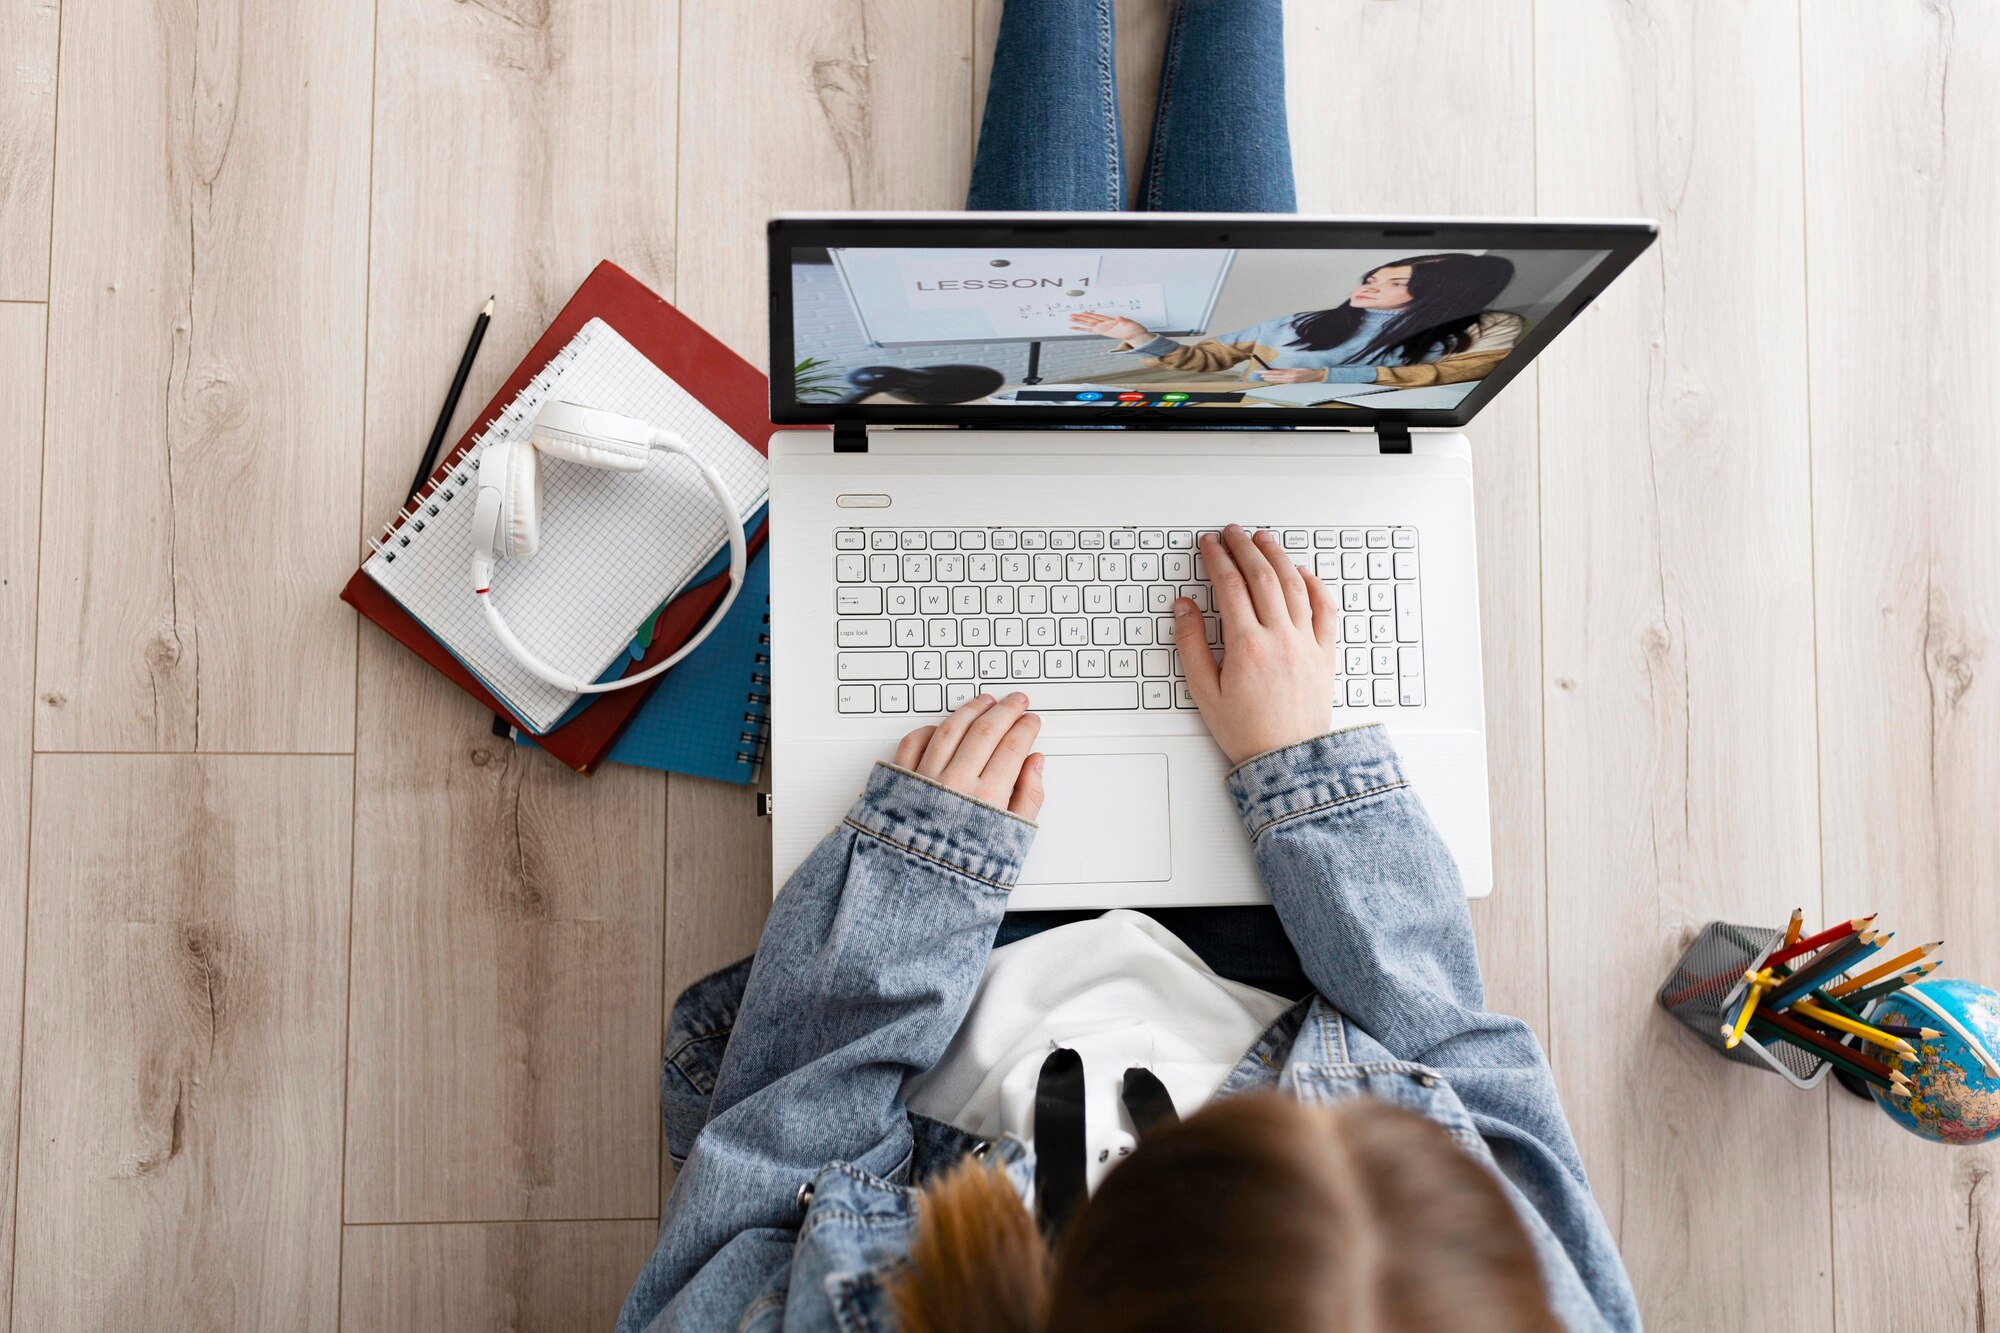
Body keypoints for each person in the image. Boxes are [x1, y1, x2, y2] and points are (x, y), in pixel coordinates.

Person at [617, 529, 1637, 1333]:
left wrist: (915, 875)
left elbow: (762, 1170)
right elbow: (1454, 1051)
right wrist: (1309, 771)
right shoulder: (1522, 1305)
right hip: (1298, 969)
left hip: (927, 1005)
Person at [1069, 253, 1527, 389]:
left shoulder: (1458, 337)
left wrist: (1325, 375)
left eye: (1392, 283)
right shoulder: (1303, 323)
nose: (1369, 285)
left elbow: (1456, 371)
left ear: (1432, 295)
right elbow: (1203, 360)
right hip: (1256, 419)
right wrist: (1140, 337)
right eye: (1373, 276)